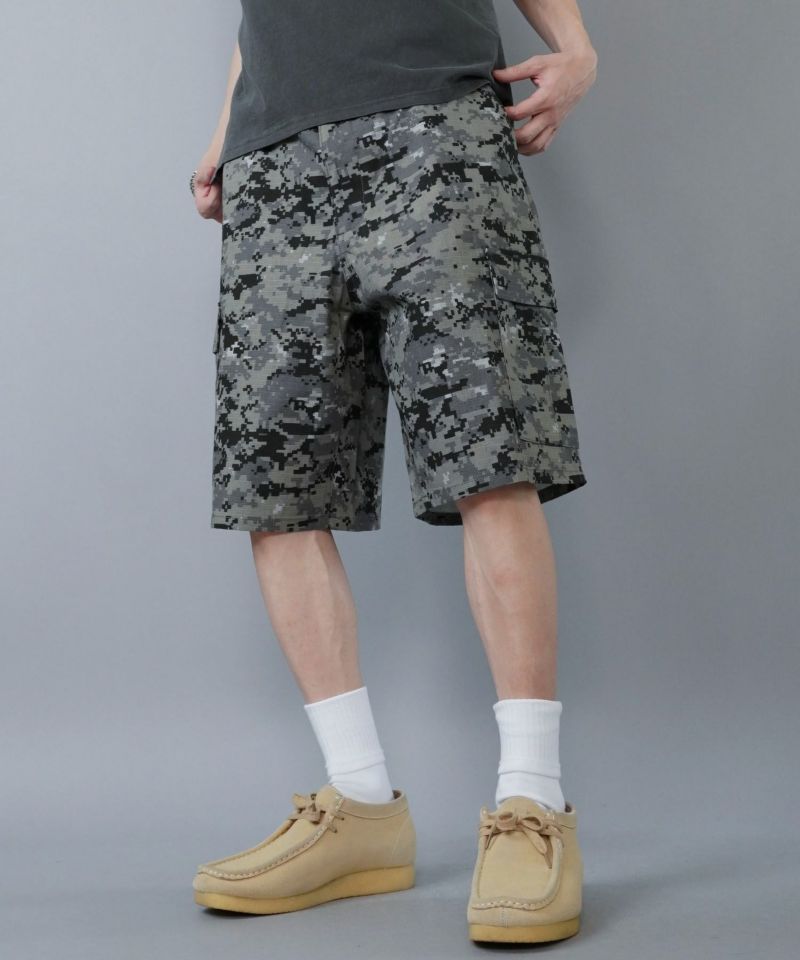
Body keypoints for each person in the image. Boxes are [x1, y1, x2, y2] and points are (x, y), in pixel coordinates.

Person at [190, 0, 596, 945]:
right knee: (276, 485)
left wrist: (576, 46)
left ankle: (533, 803)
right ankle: (361, 801)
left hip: (434, 126)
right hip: (272, 157)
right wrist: (224, 135)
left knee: (490, 457)